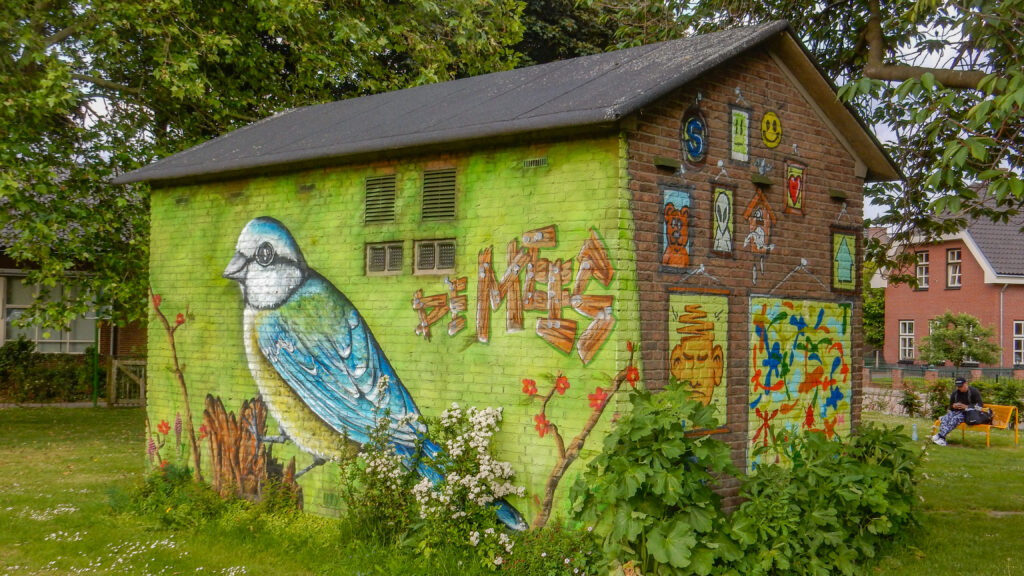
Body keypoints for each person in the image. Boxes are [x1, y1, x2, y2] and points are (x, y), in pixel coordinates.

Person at [932, 376, 983, 446]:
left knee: (955, 419)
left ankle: (940, 436)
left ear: (966, 384)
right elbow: (950, 407)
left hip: (969, 414)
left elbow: (980, 406)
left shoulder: (974, 392)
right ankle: (942, 438)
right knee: (945, 418)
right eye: (958, 387)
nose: (959, 388)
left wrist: (967, 407)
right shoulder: (955, 393)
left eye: (961, 386)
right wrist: (953, 406)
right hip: (957, 411)